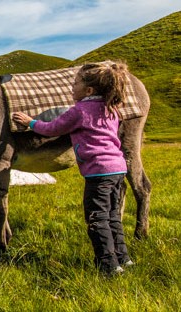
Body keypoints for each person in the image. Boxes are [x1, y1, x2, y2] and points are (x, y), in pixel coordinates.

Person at [12, 62, 133, 275]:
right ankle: (124, 258)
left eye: (75, 83)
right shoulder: (111, 109)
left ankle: (108, 265)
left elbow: (53, 128)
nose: (71, 87)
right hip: (118, 169)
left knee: (97, 218)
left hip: (98, 171)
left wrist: (31, 123)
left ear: (88, 90)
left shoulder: (79, 111)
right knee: (113, 214)